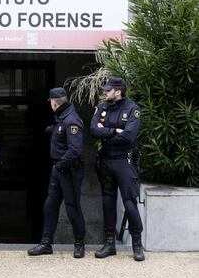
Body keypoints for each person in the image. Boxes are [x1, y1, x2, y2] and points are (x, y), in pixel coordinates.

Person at [27, 87, 86, 258]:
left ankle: (79, 244)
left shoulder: (71, 120)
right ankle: (46, 244)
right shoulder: (62, 117)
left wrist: (60, 165)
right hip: (59, 170)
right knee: (50, 206)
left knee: (72, 207)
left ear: (54, 102)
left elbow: (75, 150)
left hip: (69, 171)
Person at [91, 76, 145, 261]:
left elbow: (129, 137)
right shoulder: (102, 108)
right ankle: (109, 244)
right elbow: (93, 130)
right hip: (106, 160)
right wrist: (114, 131)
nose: (105, 92)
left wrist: (105, 133)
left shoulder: (132, 109)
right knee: (108, 202)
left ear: (118, 91)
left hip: (124, 161)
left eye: (108, 90)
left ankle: (137, 245)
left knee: (130, 202)